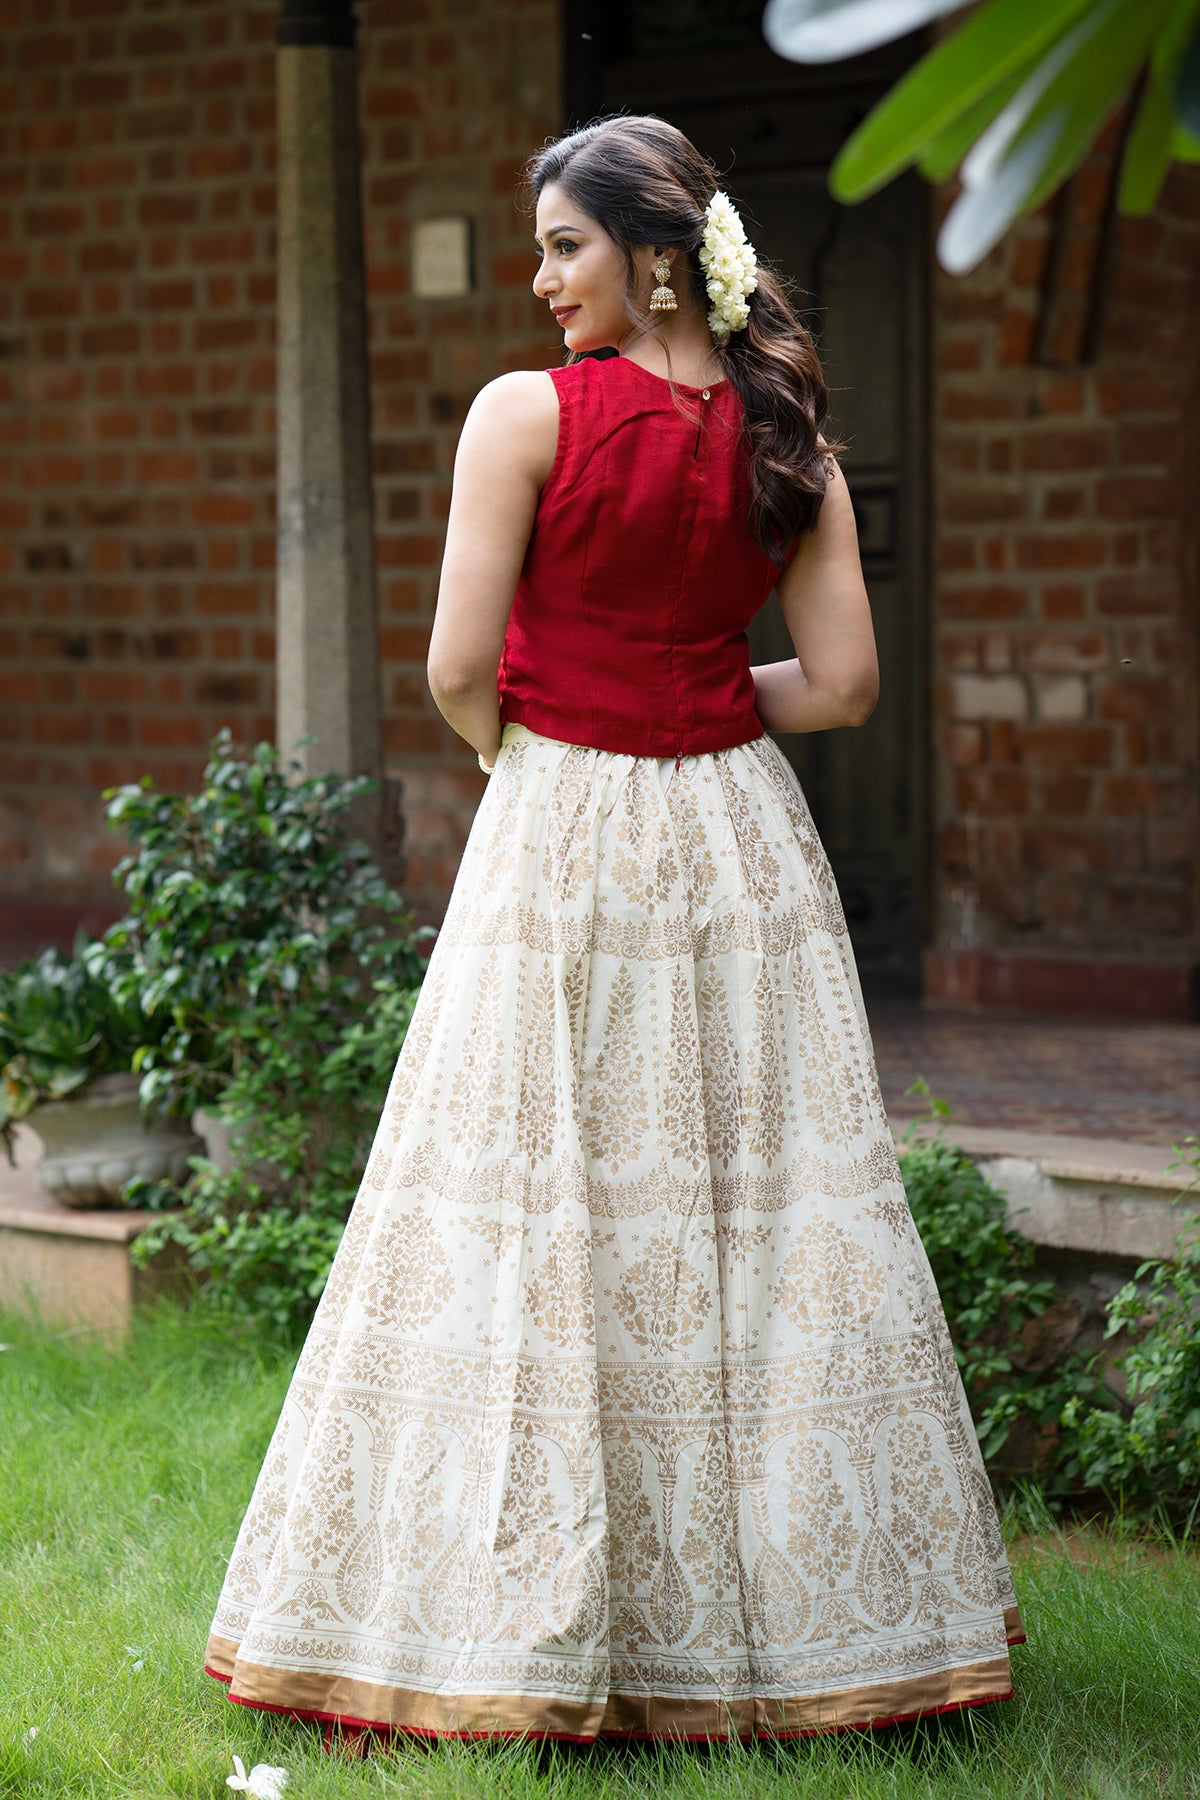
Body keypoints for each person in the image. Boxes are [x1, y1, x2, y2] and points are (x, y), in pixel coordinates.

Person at [203, 114, 1023, 1751]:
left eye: (565, 245)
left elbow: (454, 665)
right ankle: (810, 1637)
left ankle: (490, 1620)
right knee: (756, 1217)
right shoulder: (789, 429)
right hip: (740, 844)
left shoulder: (522, 418)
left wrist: (551, 751)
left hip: (564, 832)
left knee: (531, 1206)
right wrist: (703, 699)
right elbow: (846, 688)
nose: (539, 279)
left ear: (656, 253)